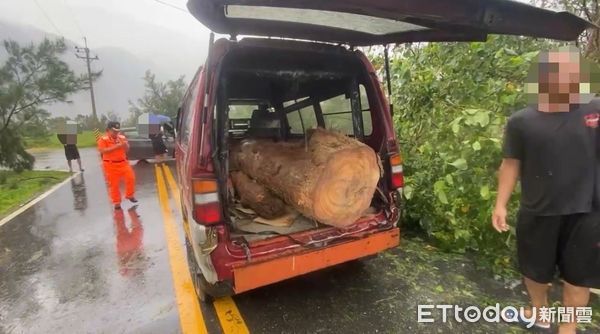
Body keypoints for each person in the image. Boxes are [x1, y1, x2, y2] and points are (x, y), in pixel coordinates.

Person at [492, 46, 600, 334]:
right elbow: (511, 164)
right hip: (538, 209)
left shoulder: (595, 109)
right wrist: (500, 204)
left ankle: (568, 327)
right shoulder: (521, 121)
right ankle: (540, 313)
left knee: (579, 277)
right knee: (534, 271)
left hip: (588, 212)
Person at [97, 121, 137, 210]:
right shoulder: (103, 139)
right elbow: (103, 151)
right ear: (108, 130)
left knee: (131, 178)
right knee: (113, 185)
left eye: (117, 131)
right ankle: (116, 202)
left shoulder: (122, 138)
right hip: (110, 164)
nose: (116, 133)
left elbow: (127, 150)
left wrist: (125, 145)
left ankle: (130, 195)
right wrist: (118, 146)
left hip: (123, 163)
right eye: (114, 131)